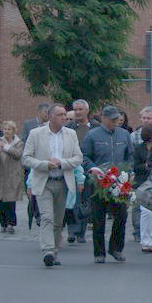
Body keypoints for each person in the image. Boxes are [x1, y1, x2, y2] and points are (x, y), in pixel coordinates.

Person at [21, 103, 83, 267]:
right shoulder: (36, 134)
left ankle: (54, 250)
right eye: (60, 115)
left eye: (65, 115)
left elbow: (78, 158)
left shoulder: (71, 134)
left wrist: (62, 162)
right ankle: (47, 250)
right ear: (50, 117)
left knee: (58, 220)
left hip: (62, 181)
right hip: (44, 181)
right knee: (47, 217)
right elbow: (26, 158)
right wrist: (43, 164)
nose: (64, 118)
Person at [81, 105, 134, 263]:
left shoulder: (124, 134)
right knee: (98, 217)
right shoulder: (92, 135)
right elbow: (84, 157)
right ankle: (99, 252)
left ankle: (116, 248)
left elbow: (130, 155)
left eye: (116, 119)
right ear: (103, 118)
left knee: (121, 216)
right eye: (111, 119)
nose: (115, 122)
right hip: (99, 182)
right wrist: (93, 169)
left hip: (119, 182)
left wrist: (129, 171)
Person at [65, 99, 98, 244]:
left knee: (85, 201)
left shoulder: (96, 128)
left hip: (89, 169)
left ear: (87, 111)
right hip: (71, 168)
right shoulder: (68, 128)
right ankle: (72, 230)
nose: (78, 112)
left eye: (80, 110)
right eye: (75, 109)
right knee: (72, 200)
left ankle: (81, 232)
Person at [0, 120, 24, 234]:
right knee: (0, 201)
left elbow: (18, 154)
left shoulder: (19, 143)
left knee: (11, 201)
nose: (7, 131)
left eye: (9, 129)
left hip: (12, 176)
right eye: (5, 129)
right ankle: (2, 224)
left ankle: (11, 224)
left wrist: (6, 147)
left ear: (14, 131)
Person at [135, 125, 152, 253]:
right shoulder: (139, 148)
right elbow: (135, 165)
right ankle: (145, 241)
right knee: (145, 212)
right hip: (143, 182)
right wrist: (144, 166)